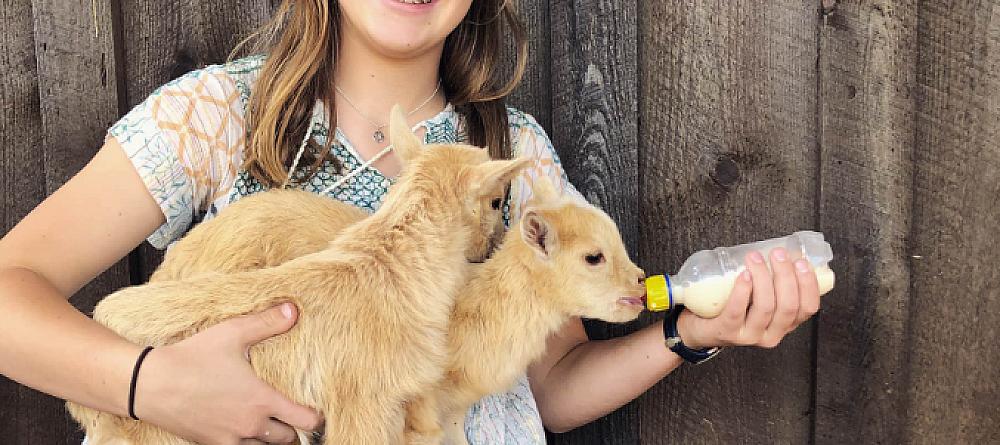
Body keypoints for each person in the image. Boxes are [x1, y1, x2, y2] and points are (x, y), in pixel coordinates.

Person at [0, 1, 823, 444]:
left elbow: (547, 387)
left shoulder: (513, 158)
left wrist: (689, 331)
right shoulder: (217, 117)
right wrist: (153, 385)